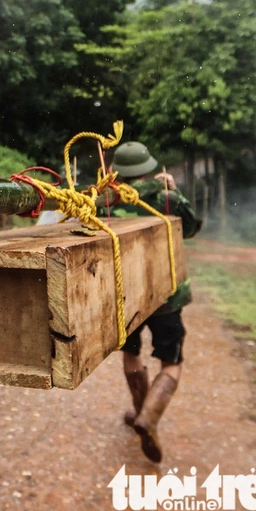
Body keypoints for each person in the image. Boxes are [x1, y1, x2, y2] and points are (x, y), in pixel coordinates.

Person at [104, 141, 201, 463]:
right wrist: (174, 191)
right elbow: (192, 228)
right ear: (149, 168)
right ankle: (149, 417)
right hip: (167, 297)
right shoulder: (167, 199)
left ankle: (139, 411)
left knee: (131, 353)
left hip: (126, 294)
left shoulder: (106, 202)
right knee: (171, 362)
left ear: (116, 172)